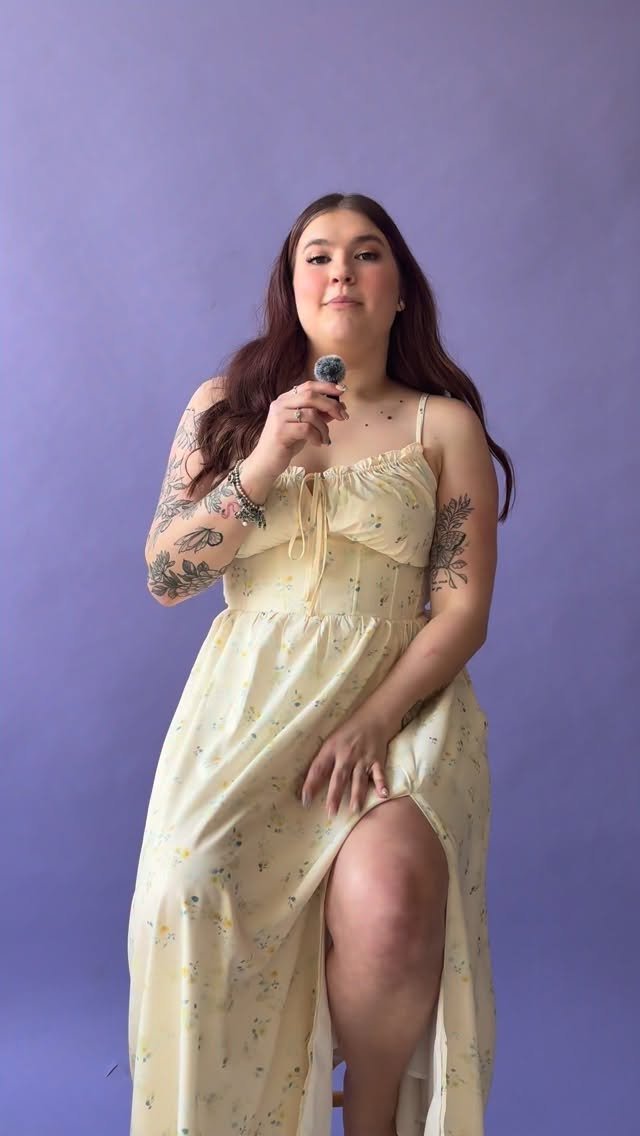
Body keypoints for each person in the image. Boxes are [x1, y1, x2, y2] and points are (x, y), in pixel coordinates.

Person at [127, 191, 515, 1136]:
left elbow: (462, 611)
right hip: (249, 709)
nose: (341, 270)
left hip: (398, 709)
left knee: (392, 904)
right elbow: (168, 577)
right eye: (319, 255)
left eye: (366, 253)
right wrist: (265, 457)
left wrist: (374, 721)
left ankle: (369, 1124)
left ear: (400, 291)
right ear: (291, 288)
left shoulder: (441, 426)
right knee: (188, 889)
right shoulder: (224, 409)